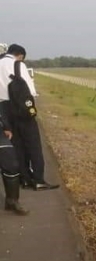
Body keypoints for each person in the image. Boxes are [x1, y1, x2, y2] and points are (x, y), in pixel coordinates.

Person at [0, 44, 58, 191]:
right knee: (33, 144)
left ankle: (24, 179)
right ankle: (38, 179)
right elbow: (30, 91)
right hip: (21, 107)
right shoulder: (18, 65)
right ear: (20, 55)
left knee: (16, 144)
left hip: (4, 109)